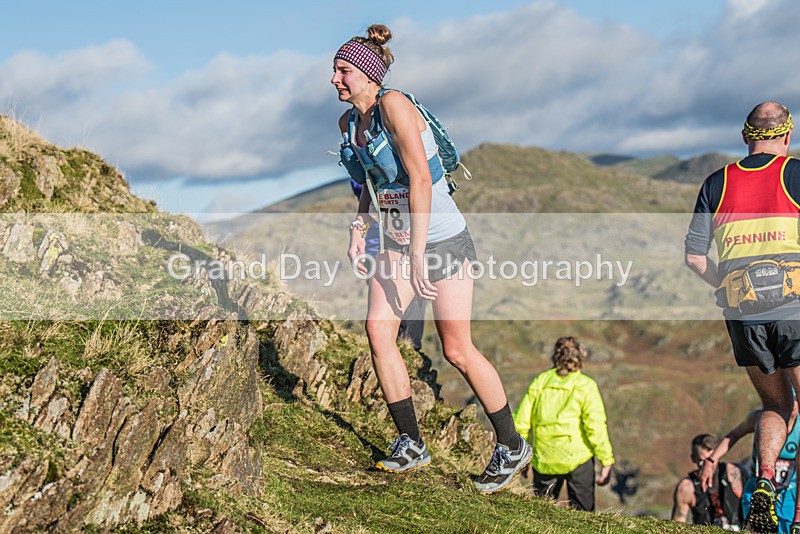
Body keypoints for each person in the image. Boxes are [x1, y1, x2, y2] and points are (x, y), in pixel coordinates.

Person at [333, 24, 531, 493]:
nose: (335, 81)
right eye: (334, 72)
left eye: (343, 71)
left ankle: (510, 445)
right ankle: (411, 443)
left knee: (457, 349)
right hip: (399, 240)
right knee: (378, 329)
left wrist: (418, 255)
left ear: (367, 73)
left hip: (443, 241)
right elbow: (371, 185)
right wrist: (360, 228)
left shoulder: (394, 105)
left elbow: (420, 179)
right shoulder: (348, 126)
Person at [685, 101, 800, 533]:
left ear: (745, 136)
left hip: (742, 313)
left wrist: (725, 287)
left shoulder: (716, 182)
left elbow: (695, 258)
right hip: (794, 306)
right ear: (787, 137)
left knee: (775, 404)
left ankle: (766, 480)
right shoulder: (796, 174)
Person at [512, 337, 614, 511]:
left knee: (540, 514)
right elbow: (595, 427)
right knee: (584, 518)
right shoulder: (586, 386)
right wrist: (606, 459)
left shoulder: (541, 382)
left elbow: (521, 421)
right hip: (578, 458)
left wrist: (520, 455)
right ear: (580, 358)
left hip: (544, 458)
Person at [350, 177, 427, 352]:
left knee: (403, 328)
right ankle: (402, 365)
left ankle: (406, 364)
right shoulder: (368, 159)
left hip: (398, 248)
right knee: (394, 328)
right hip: (383, 250)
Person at [700, 399, 800, 533]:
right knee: (755, 529)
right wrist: (711, 461)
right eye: (788, 395)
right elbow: (734, 435)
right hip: (757, 489)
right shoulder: (760, 418)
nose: (792, 402)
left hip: (788, 493)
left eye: (795, 397)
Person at [671, 434, 743, 529]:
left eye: (711, 461)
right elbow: (676, 526)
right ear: (693, 458)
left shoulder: (735, 473)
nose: (707, 467)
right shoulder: (686, 488)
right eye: (702, 461)